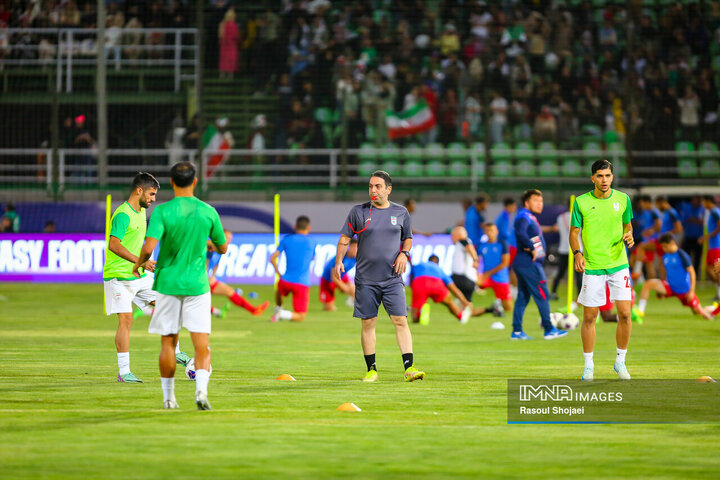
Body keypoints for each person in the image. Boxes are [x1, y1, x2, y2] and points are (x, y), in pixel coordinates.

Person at [133, 161, 228, 410]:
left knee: (168, 342)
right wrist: (210, 244)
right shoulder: (208, 211)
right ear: (195, 182)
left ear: (172, 183)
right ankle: (201, 393)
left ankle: (168, 398)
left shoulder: (163, 212)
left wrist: (139, 264)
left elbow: (148, 247)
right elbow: (223, 247)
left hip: (167, 284)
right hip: (197, 285)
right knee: (201, 345)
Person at [334, 170, 424, 383]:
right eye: (370, 186)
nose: (373, 190)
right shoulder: (359, 212)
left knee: (400, 320)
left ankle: (409, 368)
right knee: (368, 323)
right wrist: (339, 261)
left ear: (388, 189)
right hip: (366, 280)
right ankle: (371, 370)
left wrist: (404, 253)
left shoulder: (401, 213)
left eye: (378, 186)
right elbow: (345, 238)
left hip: (392, 278)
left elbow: (408, 238)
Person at [103, 173, 183, 384]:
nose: (154, 199)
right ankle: (124, 372)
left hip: (139, 274)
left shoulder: (140, 213)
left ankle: (176, 351)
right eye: (151, 194)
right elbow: (114, 245)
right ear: (139, 190)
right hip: (118, 276)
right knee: (126, 320)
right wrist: (140, 261)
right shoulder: (123, 215)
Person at [570, 159, 634, 382]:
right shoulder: (581, 202)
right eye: (599, 176)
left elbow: (627, 225)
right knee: (590, 316)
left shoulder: (623, 199)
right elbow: (574, 232)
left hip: (619, 264)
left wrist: (629, 234)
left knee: (625, 314)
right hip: (594, 265)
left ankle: (620, 362)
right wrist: (577, 253)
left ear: (612, 177)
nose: (604, 180)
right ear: (592, 178)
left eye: (607, 176)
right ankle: (588, 366)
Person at [512, 189, 568, 341]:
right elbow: (520, 232)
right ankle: (549, 329)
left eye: (541, 201)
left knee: (523, 297)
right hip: (529, 263)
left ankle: (517, 332)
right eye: (536, 201)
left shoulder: (529, 217)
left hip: (523, 263)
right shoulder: (523, 216)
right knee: (543, 294)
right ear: (526, 203)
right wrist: (531, 248)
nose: (539, 204)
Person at [633, 234, 712, 320]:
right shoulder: (665, 256)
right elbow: (667, 272)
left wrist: (691, 291)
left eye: (665, 246)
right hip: (670, 287)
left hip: (684, 291)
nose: (663, 249)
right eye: (662, 247)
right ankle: (640, 312)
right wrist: (661, 288)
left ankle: (712, 308)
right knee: (648, 284)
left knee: (700, 314)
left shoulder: (682, 255)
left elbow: (692, 272)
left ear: (672, 243)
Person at [208, 229, 269, 317]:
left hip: (206, 279)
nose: (229, 240)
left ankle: (254, 310)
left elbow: (216, 264)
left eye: (230, 238)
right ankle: (217, 312)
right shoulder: (212, 246)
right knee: (198, 301)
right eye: (227, 237)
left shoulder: (221, 250)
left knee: (230, 291)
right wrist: (206, 277)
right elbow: (204, 262)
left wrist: (213, 276)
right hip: (200, 279)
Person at [449, 225, 502, 327]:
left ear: (457, 235)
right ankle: (492, 309)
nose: (451, 238)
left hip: (461, 278)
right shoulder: (463, 244)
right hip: (469, 281)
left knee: (442, 284)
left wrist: (475, 260)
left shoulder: (462, 241)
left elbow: (470, 249)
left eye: (452, 235)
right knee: (468, 309)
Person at [269, 216, 317, 322]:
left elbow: (272, 258)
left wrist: (278, 273)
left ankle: (278, 308)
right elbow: (312, 259)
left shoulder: (287, 239)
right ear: (308, 228)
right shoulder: (312, 242)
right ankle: (282, 314)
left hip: (285, 280)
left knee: (279, 290)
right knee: (301, 317)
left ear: (295, 227)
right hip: (302, 283)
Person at [410, 255, 472, 324]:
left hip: (420, 283)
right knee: (449, 302)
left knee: (414, 317)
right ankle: (461, 317)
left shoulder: (419, 265)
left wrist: (413, 288)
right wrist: (465, 302)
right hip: (436, 284)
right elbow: (454, 289)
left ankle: (420, 313)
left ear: (428, 260)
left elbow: (411, 277)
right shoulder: (440, 270)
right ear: (438, 263)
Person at [479, 223, 513, 325]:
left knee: (508, 308)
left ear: (497, 231)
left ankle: (497, 306)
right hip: (486, 278)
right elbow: (475, 260)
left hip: (500, 278)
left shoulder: (503, 244)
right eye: (488, 231)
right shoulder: (481, 246)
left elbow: (505, 263)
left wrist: (487, 274)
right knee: (473, 283)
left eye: (492, 230)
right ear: (485, 232)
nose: (490, 233)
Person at [551, 197, 583, 302]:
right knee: (579, 274)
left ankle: (554, 292)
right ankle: (580, 296)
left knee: (560, 272)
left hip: (564, 248)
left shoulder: (561, 217)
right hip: (577, 249)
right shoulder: (580, 217)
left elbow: (557, 229)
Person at [320, 238, 357, 311]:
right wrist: (345, 289)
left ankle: (354, 303)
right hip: (328, 279)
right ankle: (350, 297)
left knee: (354, 289)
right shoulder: (341, 258)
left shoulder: (356, 258)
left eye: (357, 248)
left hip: (342, 276)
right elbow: (333, 277)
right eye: (354, 247)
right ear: (349, 247)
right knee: (329, 309)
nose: (355, 250)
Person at [631, 195, 661, 280]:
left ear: (646, 202)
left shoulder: (654, 212)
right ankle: (643, 279)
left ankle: (638, 275)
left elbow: (659, 226)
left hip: (651, 240)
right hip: (647, 240)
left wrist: (651, 231)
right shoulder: (648, 212)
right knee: (648, 262)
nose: (641, 206)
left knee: (636, 254)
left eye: (642, 203)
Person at [699, 195, 720, 301]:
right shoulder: (712, 212)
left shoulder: (715, 212)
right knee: (708, 268)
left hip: (717, 246)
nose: (702, 205)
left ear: (708, 202)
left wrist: (707, 236)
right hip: (712, 246)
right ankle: (718, 290)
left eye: (703, 202)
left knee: (717, 270)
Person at [680, 195, 705, 273]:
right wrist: (696, 220)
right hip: (688, 237)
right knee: (686, 256)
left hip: (699, 238)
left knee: (697, 257)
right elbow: (685, 220)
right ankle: (686, 272)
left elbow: (702, 221)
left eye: (699, 201)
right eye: (696, 200)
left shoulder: (702, 208)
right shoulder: (687, 207)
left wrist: (693, 220)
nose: (697, 202)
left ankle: (695, 272)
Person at [218, 7, 239, 78]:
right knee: (231, 58)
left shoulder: (222, 24)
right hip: (232, 44)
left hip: (224, 44)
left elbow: (220, 35)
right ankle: (230, 74)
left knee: (223, 58)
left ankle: (222, 74)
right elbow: (236, 35)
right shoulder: (234, 25)